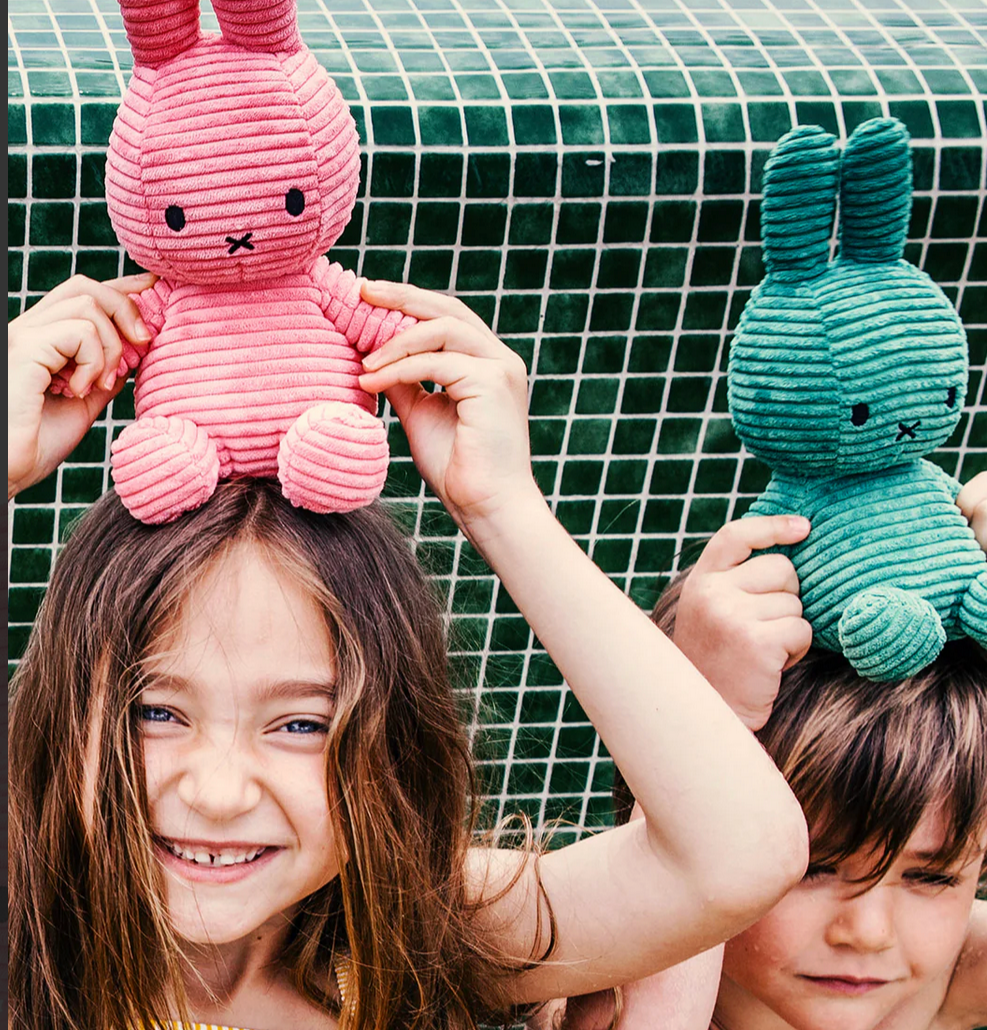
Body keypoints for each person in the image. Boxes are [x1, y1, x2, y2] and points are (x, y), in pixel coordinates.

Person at [7, 274, 810, 1030]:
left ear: (392, 742)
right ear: (65, 710)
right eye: (157, 712)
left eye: (301, 725)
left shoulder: (413, 932)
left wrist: (504, 509)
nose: (217, 793)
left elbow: (738, 855)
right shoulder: (23, 941)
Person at [545, 489, 987, 1030]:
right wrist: (701, 719)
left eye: (930, 876)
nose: (868, 933)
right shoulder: (595, 985)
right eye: (812, 867)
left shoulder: (945, 981)